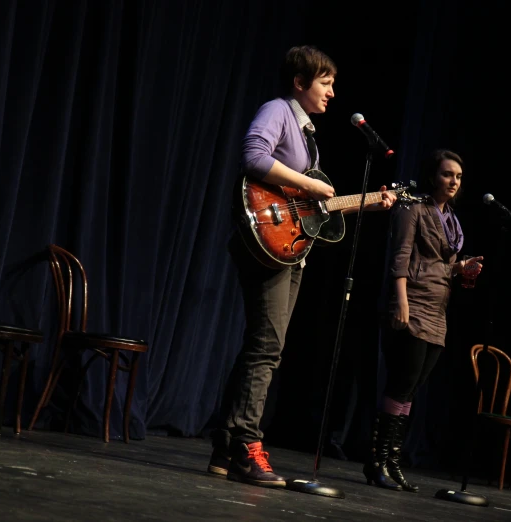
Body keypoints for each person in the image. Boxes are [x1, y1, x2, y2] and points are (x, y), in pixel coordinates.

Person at [208, 45, 396, 488]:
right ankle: (247, 445)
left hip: (289, 250)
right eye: (325, 82)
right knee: (267, 349)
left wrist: (373, 202)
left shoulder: (307, 134)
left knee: (261, 347)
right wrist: (311, 182)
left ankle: (225, 445)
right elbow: (254, 158)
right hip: (266, 245)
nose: (332, 92)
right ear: (299, 82)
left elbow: (316, 209)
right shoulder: (277, 110)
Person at [363, 149, 483, 492]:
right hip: (411, 302)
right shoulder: (411, 208)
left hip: (437, 310)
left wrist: (461, 267)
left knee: (412, 390)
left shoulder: (451, 219)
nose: (454, 182)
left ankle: (393, 460)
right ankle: (377, 460)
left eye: (458, 177)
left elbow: (442, 264)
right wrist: (400, 301)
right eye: (447, 175)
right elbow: (400, 255)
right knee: (400, 384)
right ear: (432, 177)